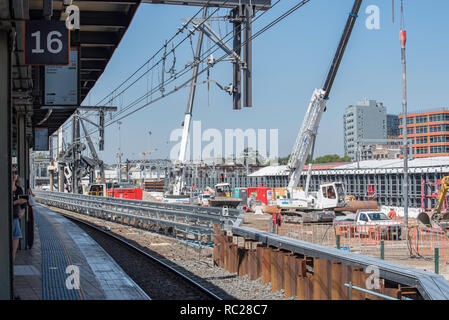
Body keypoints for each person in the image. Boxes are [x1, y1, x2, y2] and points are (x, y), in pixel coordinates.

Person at [12, 169, 27, 263]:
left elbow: (23, 204)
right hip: (6, 219)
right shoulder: (4, 187)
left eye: (16, 173)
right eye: (12, 173)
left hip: (15, 217)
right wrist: (16, 202)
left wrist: (23, 210)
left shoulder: (19, 189)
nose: (14, 175)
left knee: (16, 236)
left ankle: (12, 260)